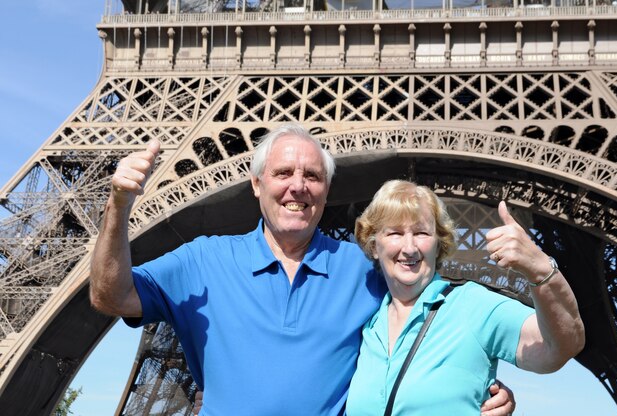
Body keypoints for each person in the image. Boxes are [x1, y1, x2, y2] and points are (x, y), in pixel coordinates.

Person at [90, 124, 516, 415]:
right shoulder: (204, 260)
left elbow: (438, 317)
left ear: (326, 190)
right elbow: (110, 295)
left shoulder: (364, 268)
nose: (298, 186)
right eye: (283, 173)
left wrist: (477, 393)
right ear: (257, 184)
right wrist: (119, 208)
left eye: (312, 175)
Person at [345, 180, 585, 415]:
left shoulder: (473, 305)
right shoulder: (367, 323)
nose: (409, 247)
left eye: (421, 232)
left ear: (439, 244)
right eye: (395, 233)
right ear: (374, 245)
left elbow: (557, 348)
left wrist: (540, 268)